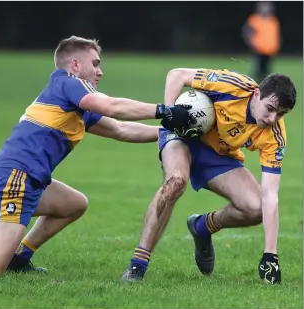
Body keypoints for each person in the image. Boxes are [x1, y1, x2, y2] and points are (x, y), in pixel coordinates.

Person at [0, 36, 200, 277]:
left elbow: (121, 129)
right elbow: (111, 106)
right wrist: (165, 111)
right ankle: (6, 260)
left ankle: (20, 258)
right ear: (75, 65)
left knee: (73, 204)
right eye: (95, 64)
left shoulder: (75, 105)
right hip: (14, 180)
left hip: (24, 178)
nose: (100, 72)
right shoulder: (68, 83)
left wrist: (175, 133)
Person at [122, 67, 296, 285]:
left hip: (218, 153)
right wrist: (170, 113)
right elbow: (177, 74)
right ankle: (138, 265)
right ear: (257, 94)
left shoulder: (275, 134)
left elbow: (270, 194)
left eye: (280, 114)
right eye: (270, 109)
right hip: (182, 135)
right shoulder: (233, 86)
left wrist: (271, 254)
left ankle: (202, 227)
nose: (273, 118)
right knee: (175, 182)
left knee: (255, 207)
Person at [242, 1, 281, 82]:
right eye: (264, 8)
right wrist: (251, 43)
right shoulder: (255, 19)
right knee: (257, 70)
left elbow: (276, 34)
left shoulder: (273, 20)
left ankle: (265, 86)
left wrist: (276, 44)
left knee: (267, 70)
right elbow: (248, 32)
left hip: (270, 50)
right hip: (258, 49)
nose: (267, 10)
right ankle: (254, 85)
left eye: (268, 8)